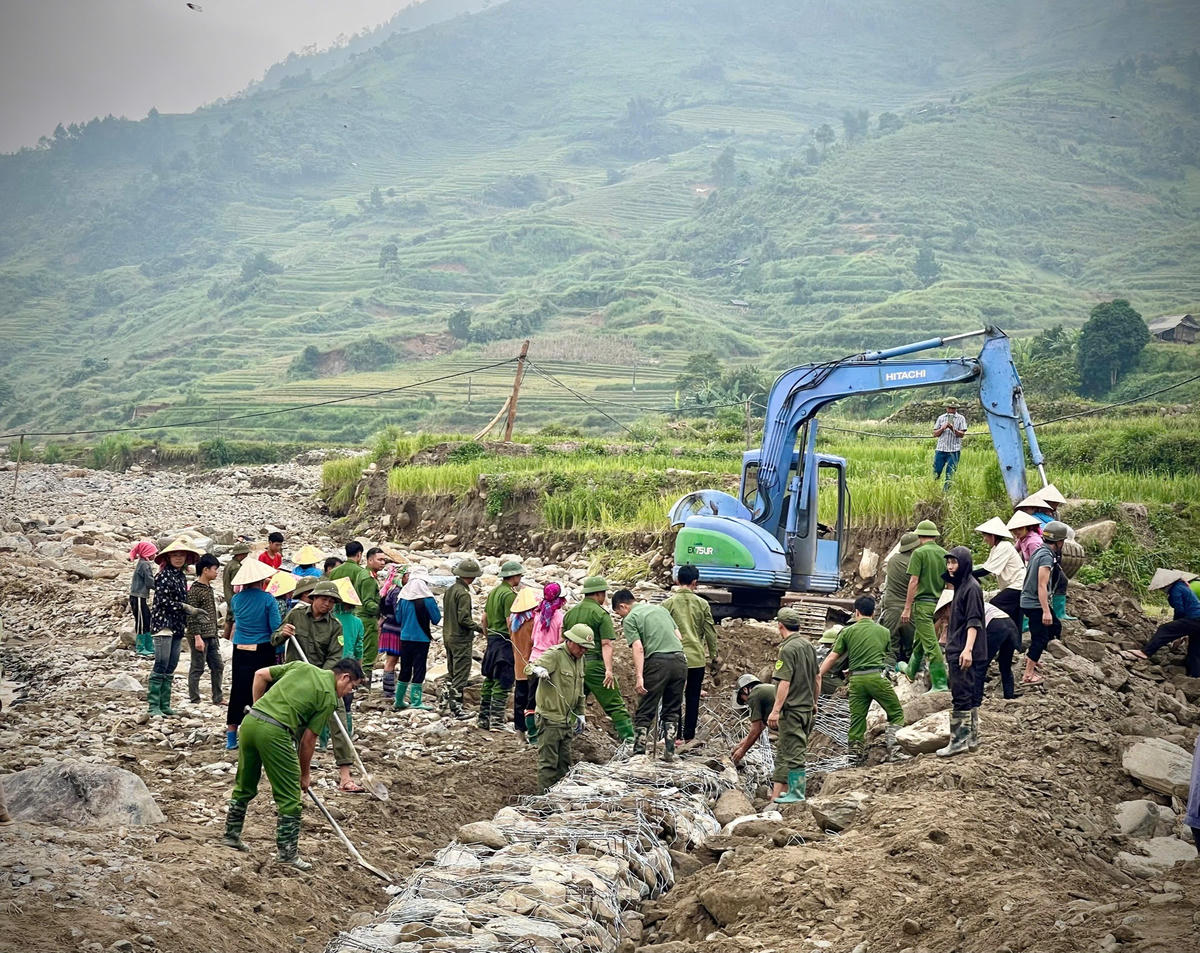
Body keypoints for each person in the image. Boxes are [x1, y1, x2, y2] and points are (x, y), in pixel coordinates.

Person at [221, 657, 365, 869]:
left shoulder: (300, 666)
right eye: (352, 686)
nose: (349, 692)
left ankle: (231, 835)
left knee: (245, 783)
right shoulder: (328, 698)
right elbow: (308, 741)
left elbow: (260, 674)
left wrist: (259, 707)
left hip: (250, 723)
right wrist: (304, 774)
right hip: (275, 733)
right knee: (289, 797)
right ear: (344, 677)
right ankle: (287, 854)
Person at [270, 579, 365, 792]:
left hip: (325, 680)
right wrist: (283, 634)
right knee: (297, 727)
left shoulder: (335, 626)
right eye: (324, 599)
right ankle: (295, 772)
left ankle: (345, 776)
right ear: (313, 598)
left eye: (332, 601)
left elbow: (335, 657)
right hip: (297, 681)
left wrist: (319, 676)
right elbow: (274, 639)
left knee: (339, 721)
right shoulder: (295, 616)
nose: (328, 604)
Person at [817, 595, 905, 763]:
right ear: (873, 612)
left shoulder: (847, 631)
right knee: (896, 713)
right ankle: (894, 750)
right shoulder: (884, 632)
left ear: (856, 612)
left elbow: (832, 658)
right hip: (876, 678)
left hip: (856, 680)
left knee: (857, 719)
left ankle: (854, 756)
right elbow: (883, 654)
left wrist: (818, 674)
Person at [612, 589, 686, 760]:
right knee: (672, 709)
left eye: (619, 613)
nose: (621, 616)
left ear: (623, 606)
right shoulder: (661, 610)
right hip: (679, 660)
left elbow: (638, 648)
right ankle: (670, 752)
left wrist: (640, 676)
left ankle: (638, 754)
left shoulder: (631, 618)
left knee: (645, 709)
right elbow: (679, 636)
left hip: (658, 662)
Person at [563, 577, 634, 742]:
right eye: (604, 594)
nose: (605, 598)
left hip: (574, 664)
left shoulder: (570, 614)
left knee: (574, 702)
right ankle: (629, 740)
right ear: (598, 594)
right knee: (614, 703)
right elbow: (606, 644)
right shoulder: (601, 614)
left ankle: (572, 737)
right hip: (593, 664)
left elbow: (565, 642)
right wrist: (608, 670)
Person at [226, 558, 283, 750]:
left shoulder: (236, 599)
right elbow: (275, 628)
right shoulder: (268, 599)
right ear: (262, 580)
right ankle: (260, 730)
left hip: (240, 647)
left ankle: (231, 735)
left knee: (238, 688)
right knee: (263, 691)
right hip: (262, 648)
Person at [526, 623, 590, 793]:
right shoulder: (555, 655)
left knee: (564, 764)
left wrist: (581, 714)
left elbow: (580, 690)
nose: (584, 651)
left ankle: (560, 798)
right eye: (581, 647)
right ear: (571, 642)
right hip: (549, 719)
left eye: (586, 649)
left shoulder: (580, 659)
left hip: (566, 720)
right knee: (548, 764)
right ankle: (543, 803)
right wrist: (538, 670)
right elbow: (529, 667)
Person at [938, 546, 987, 757]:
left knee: (961, 695)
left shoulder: (971, 588)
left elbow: (973, 621)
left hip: (964, 649)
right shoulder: (963, 585)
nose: (950, 566)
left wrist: (967, 649)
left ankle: (959, 741)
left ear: (964, 563)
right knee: (971, 694)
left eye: (954, 562)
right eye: (948, 562)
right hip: (967, 648)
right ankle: (972, 739)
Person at [766, 608, 818, 803]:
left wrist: (775, 710)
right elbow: (817, 677)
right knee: (786, 750)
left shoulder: (787, 649)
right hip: (806, 708)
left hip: (793, 710)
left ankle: (796, 794)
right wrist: (814, 701)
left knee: (795, 753)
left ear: (780, 625)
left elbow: (784, 682)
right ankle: (778, 795)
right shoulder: (809, 646)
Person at [662, 565, 719, 745]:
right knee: (693, 697)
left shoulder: (667, 604)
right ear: (695, 582)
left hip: (675, 657)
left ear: (677, 581)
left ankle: (675, 736)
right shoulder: (702, 604)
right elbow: (710, 631)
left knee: (674, 696)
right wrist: (713, 656)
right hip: (696, 658)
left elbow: (664, 630)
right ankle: (689, 736)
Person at [148, 537, 202, 718]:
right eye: (175, 555)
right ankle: (153, 705)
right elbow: (162, 601)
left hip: (177, 624)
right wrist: (184, 607)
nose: (178, 558)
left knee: (171, 664)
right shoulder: (163, 576)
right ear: (168, 557)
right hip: (163, 623)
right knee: (161, 662)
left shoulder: (180, 576)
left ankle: (165, 705)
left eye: (181, 555)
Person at [898, 520, 949, 692]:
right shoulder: (944, 554)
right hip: (938, 605)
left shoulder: (919, 553)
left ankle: (940, 683)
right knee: (921, 639)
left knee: (930, 645)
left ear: (919, 536)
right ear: (935, 536)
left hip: (923, 605)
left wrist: (907, 607)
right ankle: (911, 670)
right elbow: (949, 584)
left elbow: (914, 581)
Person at [329, 543, 385, 689]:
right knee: (362, 649)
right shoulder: (361, 573)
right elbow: (365, 600)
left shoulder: (335, 571)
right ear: (360, 555)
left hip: (336, 612)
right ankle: (360, 683)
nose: (382, 563)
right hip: (356, 614)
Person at [1125, 569, 1200, 677]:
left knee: (1164, 629)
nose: (1161, 590)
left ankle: (1145, 652)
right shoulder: (1182, 585)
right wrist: (1179, 629)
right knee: (1195, 650)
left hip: (1195, 618)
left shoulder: (1175, 590)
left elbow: (1180, 610)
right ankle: (1195, 677)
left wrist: (1177, 630)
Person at [1020, 521, 1068, 685]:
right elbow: (1042, 585)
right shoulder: (1046, 556)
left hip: (1029, 600)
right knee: (1039, 638)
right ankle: (1028, 674)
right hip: (1035, 603)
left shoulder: (1040, 550)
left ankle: (1032, 657)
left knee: (1054, 627)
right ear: (1060, 542)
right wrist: (1046, 610)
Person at [480, 560, 523, 731]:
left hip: (492, 640)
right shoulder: (509, 595)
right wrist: (516, 643)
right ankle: (497, 722)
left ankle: (483, 718)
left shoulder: (494, 592)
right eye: (519, 575)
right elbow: (509, 621)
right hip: (505, 642)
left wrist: (487, 636)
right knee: (503, 680)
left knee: (489, 679)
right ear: (513, 576)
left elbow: (484, 618)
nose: (520, 578)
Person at [394, 569, 442, 712]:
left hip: (405, 637)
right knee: (419, 668)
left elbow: (398, 619)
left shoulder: (402, 598)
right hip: (421, 638)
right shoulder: (428, 598)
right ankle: (416, 701)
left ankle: (399, 699)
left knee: (405, 668)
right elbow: (436, 619)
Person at [525, 582, 566, 743]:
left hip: (534, 661)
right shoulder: (561, 617)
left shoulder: (539, 614)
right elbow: (560, 642)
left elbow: (533, 639)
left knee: (532, 699)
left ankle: (532, 736)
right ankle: (548, 734)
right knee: (550, 699)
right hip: (550, 663)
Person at [442, 558, 482, 719]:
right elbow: (464, 619)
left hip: (448, 635)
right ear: (471, 577)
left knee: (451, 671)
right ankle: (457, 708)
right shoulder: (464, 594)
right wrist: (481, 628)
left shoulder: (450, 590)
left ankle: (443, 703)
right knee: (461, 673)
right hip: (461, 639)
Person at [973, 517, 1025, 629]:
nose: (984, 539)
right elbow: (986, 566)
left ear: (992, 536)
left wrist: (968, 574)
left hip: (1017, 585)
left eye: (985, 536)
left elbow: (987, 570)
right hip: (1015, 585)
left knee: (994, 606)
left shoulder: (1004, 547)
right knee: (1015, 618)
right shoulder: (996, 548)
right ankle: (1015, 644)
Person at [186, 554, 224, 705]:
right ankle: (194, 698)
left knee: (218, 666)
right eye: (215, 569)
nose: (216, 573)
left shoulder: (208, 588)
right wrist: (197, 637)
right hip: (200, 634)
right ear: (205, 570)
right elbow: (191, 615)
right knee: (197, 667)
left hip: (211, 634)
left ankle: (218, 697)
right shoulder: (195, 590)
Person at [879, 532, 919, 668]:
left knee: (890, 648)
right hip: (910, 610)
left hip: (891, 608)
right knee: (912, 648)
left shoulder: (893, 560)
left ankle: (887, 674)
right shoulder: (916, 562)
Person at [508, 587, 539, 740]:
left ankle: (519, 732)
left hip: (518, 665)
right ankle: (532, 730)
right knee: (531, 699)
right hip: (531, 664)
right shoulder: (533, 621)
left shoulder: (512, 621)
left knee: (519, 699)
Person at [378, 562, 409, 702]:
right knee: (392, 660)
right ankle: (390, 691)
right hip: (395, 629)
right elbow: (399, 613)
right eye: (407, 575)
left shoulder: (390, 589)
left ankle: (389, 689)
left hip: (388, 628)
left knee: (391, 659)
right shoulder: (398, 592)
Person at [730, 673, 774, 766]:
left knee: (787, 763)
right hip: (801, 719)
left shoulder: (754, 695)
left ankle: (795, 781)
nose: (745, 702)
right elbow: (761, 726)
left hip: (792, 723)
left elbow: (756, 730)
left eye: (742, 699)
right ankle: (795, 780)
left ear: (745, 689)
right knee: (792, 761)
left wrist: (742, 751)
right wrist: (739, 745)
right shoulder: (763, 692)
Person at [128, 540, 157, 658]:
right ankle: (140, 647)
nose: (155, 555)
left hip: (141, 597)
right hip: (138, 596)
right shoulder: (144, 564)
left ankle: (148, 645)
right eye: (153, 553)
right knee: (141, 621)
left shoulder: (143, 562)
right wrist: (159, 588)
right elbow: (149, 581)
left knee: (146, 618)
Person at [932, 400, 967, 488]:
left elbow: (962, 434)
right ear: (946, 408)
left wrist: (952, 428)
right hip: (941, 449)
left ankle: (946, 493)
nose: (951, 410)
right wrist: (943, 428)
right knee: (936, 472)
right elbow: (935, 434)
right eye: (950, 408)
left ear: (956, 408)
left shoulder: (961, 418)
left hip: (954, 450)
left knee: (950, 474)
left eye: (953, 408)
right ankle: (933, 490)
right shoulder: (941, 418)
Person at [221, 542, 252, 640]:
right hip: (235, 597)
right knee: (235, 622)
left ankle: (224, 641)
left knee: (229, 620)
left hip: (228, 595)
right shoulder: (236, 567)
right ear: (240, 554)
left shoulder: (229, 564)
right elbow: (238, 585)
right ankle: (231, 643)